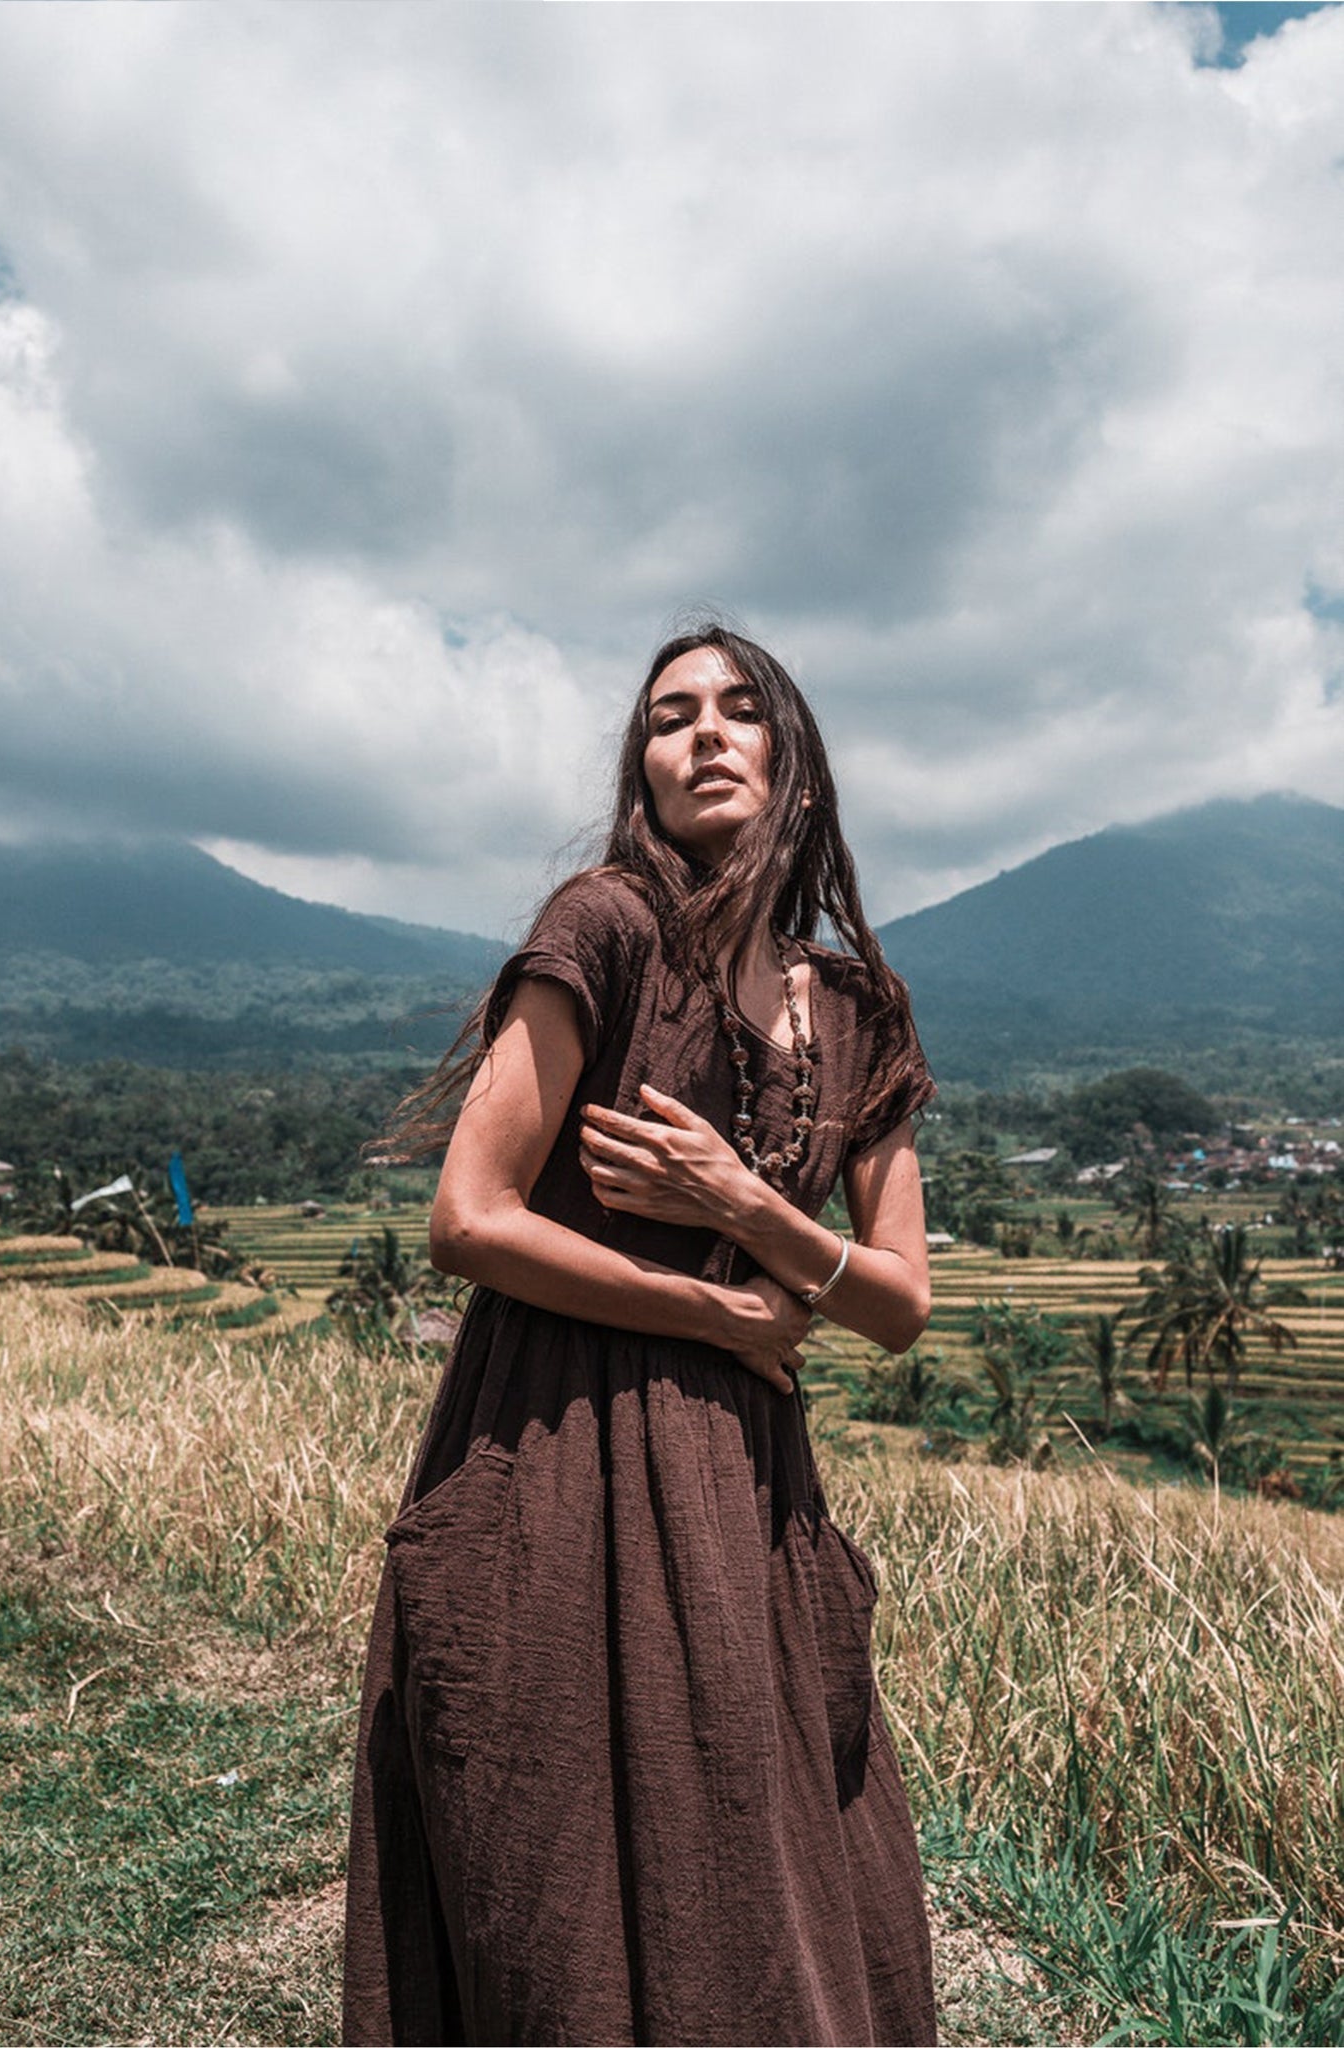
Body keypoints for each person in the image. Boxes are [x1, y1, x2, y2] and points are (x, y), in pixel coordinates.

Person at [343, 625, 938, 2047]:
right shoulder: (603, 929)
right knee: (551, 1854)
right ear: (642, 774)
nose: (705, 735)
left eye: (740, 711)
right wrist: (713, 1305)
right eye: (670, 719)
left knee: (778, 1831)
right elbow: (468, 1219)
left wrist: (746, 1208)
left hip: (743, 1475)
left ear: (791, 761)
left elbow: (899, 1303)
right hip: (555, 1437)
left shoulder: (856, 1016)